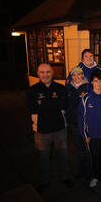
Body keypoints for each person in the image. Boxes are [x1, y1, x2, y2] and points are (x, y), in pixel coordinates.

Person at [26, 63, 75, 193]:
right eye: (42, 72)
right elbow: (32, 108)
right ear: (38, 73)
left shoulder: (60, 88)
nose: (45, 75)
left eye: (48, 72)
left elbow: (64, 104)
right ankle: (43, 181)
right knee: (43, 157)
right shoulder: (32, 90)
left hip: (60, 128)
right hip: (41, 130)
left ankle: (64, 177)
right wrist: (54, 104)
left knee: (63, 155)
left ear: (52, 73)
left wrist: (43, 104)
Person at [65, 67, 92, 180]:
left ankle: (90, 172)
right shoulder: (68, 88)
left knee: (88, 149)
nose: (76, 77)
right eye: (73, 75)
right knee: (79, 149)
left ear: (82, 75)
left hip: (87, 124)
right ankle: (82, 171)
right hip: (73, 123)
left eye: (78, 75)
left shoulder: (88, 87)